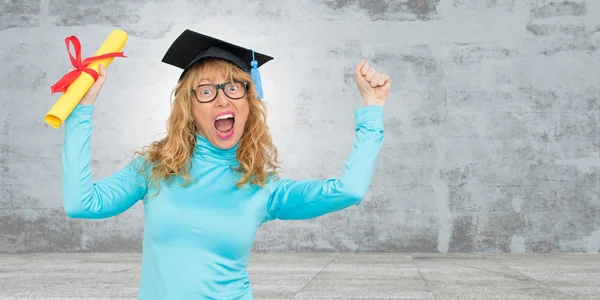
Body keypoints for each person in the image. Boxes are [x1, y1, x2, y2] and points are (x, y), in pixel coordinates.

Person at [61, 29, 391, 299]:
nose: (222, 98)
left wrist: (372, 109)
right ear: (188, 107)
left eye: (234, 87)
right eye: (206, 90)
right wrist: (81, 110)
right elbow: (81, 203)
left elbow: (349, 190)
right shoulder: (153, 169)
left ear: (249, 102)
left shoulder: (262, 187)